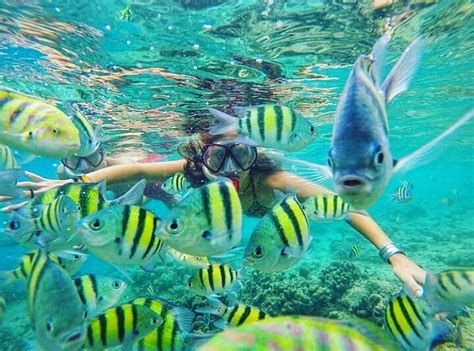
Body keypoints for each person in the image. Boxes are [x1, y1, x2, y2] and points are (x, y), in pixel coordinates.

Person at [1, 133, 426, 296]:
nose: (231, 169)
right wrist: (71, 185)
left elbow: (345, 209)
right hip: (187, 210)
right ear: (199, 158)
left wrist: (394, 253)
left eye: (240, 154)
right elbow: (140, 170)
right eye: (216, 158)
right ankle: (82, 167)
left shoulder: (270, 179)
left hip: (201, 219)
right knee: (131, 178)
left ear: (253, 154)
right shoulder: (189, 170)